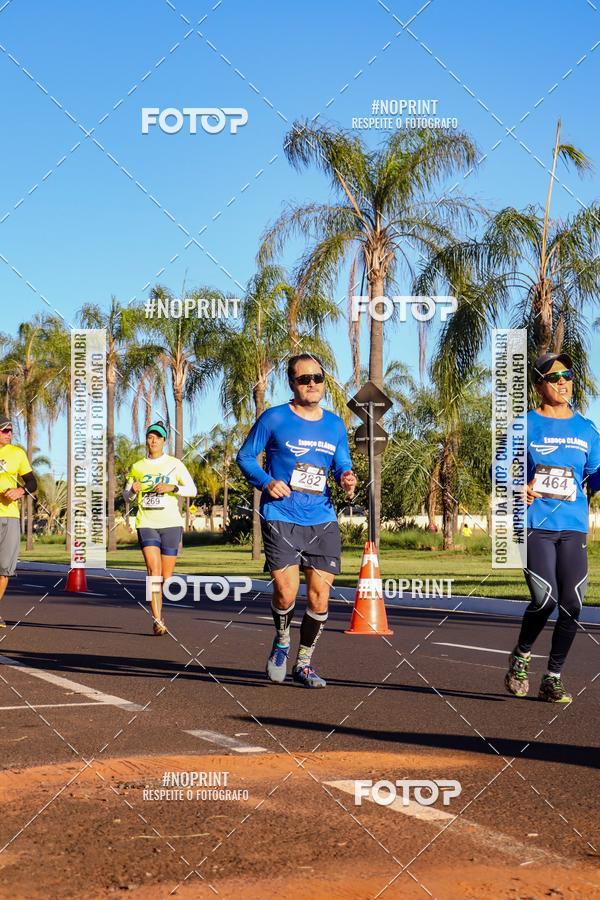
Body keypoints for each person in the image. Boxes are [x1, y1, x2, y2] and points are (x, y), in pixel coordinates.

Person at [236, 353, 357, 688]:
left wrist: (347, 477)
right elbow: (245, 456)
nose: (313, 384)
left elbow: (341, 463)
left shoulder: (334, 424)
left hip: (322, 517)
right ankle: (282, 640)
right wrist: (266, 482)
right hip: (281, 514)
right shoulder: (274, 419)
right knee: (287, 593)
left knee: (320, 597)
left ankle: (303, 662)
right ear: (292, 383)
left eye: (317, 377)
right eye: (305, 379)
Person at [504, 352, 600, 703]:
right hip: (535, 524)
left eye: (568, 375)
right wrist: (518, 487)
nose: (562, 382)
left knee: (573, 603)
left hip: (573, 526)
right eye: (554, 376)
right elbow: (497, 470)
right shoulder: (524, 424)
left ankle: (552, 677)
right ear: (538, 385)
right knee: (545, 599)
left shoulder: (586, 429)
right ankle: (521, 655)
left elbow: (596, 475)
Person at [124, 421, 197, 635]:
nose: (153, 440)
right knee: (153, 572)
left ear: (164, 441)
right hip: (146, 523)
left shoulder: (175, 464)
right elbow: (126, 496)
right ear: (146, 440)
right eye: (150, 437)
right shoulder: (138, 466)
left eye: (157, 437)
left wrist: (172, 487)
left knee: (166, 577)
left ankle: (158, 606)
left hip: (171, 524)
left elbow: (192, 489)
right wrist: (132, 490)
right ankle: (157, 619)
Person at [0, 417, 37, 627]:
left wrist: (19, 491)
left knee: (5, 568)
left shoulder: (17, 453)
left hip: (10, 516)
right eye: (4, 430)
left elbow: (32, 482)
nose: (8, 434)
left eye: (10, 430)